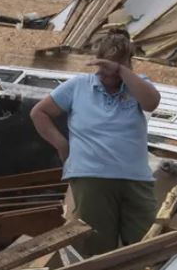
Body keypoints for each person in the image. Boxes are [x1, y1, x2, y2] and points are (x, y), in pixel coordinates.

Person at [31, 31, 162, 256]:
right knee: (95, 247)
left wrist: (121, 71)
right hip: (92, 177)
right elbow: (39, 113)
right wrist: (62, 145)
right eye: (104, 69)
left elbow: (151, 102)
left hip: (136, 178)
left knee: (147, 245)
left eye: (115, 69)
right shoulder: (79, 86)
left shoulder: (136, 86)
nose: (108, 75)